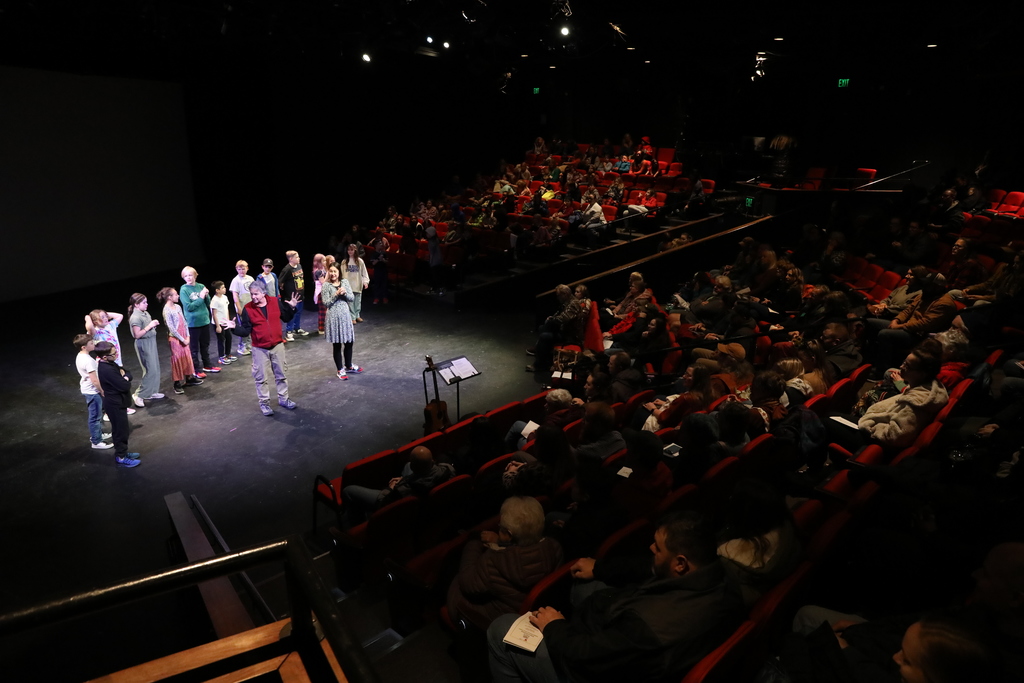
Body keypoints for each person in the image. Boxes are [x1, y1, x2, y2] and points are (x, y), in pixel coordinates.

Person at [486, 511, 742, 683]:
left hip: (592, 667)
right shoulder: (718, 576)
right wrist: (599, 568)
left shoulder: (649, 627)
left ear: (680, 563)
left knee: (500, 629)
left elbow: (584, 656)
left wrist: (554, 627)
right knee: (585, 585)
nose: (651, 549)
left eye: (658, 547)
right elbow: (648, 568)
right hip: (626, 638)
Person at [446, 496, 564, 631]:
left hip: (502, 621)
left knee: (455, 576)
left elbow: (468, 584)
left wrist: (473, 543)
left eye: (500, 528)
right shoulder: (555, 547)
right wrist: (500, 542)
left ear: (508, 535)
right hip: (530, 612)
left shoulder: (493, 560)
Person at [229, 279, 300, 416]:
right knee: (260, 378)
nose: (253, 297)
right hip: (259, 348)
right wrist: (234, 328)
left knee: (281, 375)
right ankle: (264, 403)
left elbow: (285, 318)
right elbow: (245, 331)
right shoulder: (248, 309)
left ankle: (284, 399)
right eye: (252, 294)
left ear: (263, 293)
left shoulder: (275, 302)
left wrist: (291, 307)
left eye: (256, 294)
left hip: (277, 345)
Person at [340, 446, 455, 524]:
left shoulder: (401, 491)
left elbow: (386, 501)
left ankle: (360, 527)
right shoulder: (448, 470)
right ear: (433, 461)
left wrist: (391, 488)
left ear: (414, 469)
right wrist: (405, 479)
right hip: (429, 504)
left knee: (348, 491)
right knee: (407, 465)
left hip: (398, 502)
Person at [93, 341, 141, 468]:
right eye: (113, 354)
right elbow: (124, 385)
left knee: (123, 430)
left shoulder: (110, 364)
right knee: (120, 431)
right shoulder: (107, 370)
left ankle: (124, 453)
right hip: (114, 404)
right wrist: (124, 378)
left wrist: (124, 376)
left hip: (118, 403)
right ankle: (121, 456)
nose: (116, 355)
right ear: (104, 357)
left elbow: (127, 372)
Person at [157, 287, 203, 395]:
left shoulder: (177, 306)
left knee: (187, 356)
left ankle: (189, 378)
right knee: (177, 359)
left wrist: (188, 336)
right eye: (175, 294)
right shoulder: (166, 310)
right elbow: (171, 328)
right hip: (175, 338)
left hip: (184, 336)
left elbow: (184, 322)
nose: (178, 296)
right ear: (169, 297)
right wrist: (182, 339)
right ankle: (177, 383)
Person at [322, 265, 362, 380]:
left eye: (335, 271)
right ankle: (340, 369)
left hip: (345, 316)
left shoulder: (345, 282)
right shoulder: (326, 286)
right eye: (331, 271)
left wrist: (344, 293)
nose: (333, 274)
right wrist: (336, 295)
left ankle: (348, 365)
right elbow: (326, 303)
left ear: (339, 272)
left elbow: (351, 298)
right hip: (334, 317)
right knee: (337, 344)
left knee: (349, 341)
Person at [179, 266, 219, 376]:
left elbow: (207, 303)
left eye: (190, 275)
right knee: (194, 348)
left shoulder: (201, 286)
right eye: (186, 276)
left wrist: (206, 296)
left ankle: (207, 365)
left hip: (204, 321)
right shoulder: (184, 289)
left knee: (205, 345)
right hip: (193, 323)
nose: (188, 277)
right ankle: (196, 369)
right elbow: (189, 307)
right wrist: (201, 297)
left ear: (195, 275)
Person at [74, 334, 111, 450]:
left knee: (98, 414)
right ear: (83, 347)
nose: (93, 344)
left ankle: (98, 434)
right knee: (95, 416)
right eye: (90, 343)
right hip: (92, 391)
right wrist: (102, 390)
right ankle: (96, 441)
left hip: (89, 389)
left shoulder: (80, 356)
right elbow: (94, 380)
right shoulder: (88, 361)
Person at [127, 293, 164, 406]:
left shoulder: (145, 313)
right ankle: (139, 395)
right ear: (136, 305)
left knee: (156, 368)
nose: (147, 304)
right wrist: (150, 326)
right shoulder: (135, 317)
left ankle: (151, 391)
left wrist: (153, 326)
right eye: (144, 303)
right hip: (144, 344)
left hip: (151, 341)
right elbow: (137, 335)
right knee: (150, 370)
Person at [279, 250, 308, 340]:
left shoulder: (299, 266)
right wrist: (286, 293)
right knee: (292, 314)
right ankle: (289, 331)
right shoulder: (287, 269)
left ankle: (297, 328)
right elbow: (280, 282)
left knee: (298, 312)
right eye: (297, 257)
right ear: (291, 259)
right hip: (292, 297)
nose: (299, 258)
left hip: (300, 295)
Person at [228, 260, 254, 356]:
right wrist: (239, 307)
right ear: (236, 269)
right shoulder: (236, 280)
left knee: (252, 326)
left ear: (247, 268)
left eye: (243, 269)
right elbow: (235, 295)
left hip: (251, 306)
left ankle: (249, 345)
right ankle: (242, 346)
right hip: (243, 307)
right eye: (239, 269)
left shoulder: (250, 278)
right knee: (244, 326)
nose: (242, 271)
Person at [209, 281, 236, 367]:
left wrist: (228, 321)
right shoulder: (214, 300)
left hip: (225, 322)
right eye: (223, 288)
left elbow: (226, 309)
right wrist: (217, 326)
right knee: (221, 340)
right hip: (219, 323)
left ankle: (228, 354)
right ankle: (221, 356)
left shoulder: (224, 297)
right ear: (217, 290)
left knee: (229, 337)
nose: (225, 289)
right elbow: (214, 314)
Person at [342, 243, 370, 321]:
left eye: (352, 250)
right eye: (348, 250)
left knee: (357, 301)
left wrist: (365, 282)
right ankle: (352, 317)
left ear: (355, 250)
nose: (350, 251)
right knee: (350, 302)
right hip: (349, 285)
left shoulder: (360, 261)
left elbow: (364, 273)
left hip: (357, 284)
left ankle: (357, 315)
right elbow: (342, 274)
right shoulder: (344, 262)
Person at [368, 229, 390, 304]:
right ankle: (376, 298)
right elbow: (373, 263)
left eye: (381, 243)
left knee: (384, 284)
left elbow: (387, 262)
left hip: (384, 271)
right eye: (379, 243)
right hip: (377, 271)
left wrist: (383, 260)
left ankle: (384, 297)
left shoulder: (384, 253)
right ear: (376, 245)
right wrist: (378, 259)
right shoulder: (374, 253)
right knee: (377, 284)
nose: (381, 244)